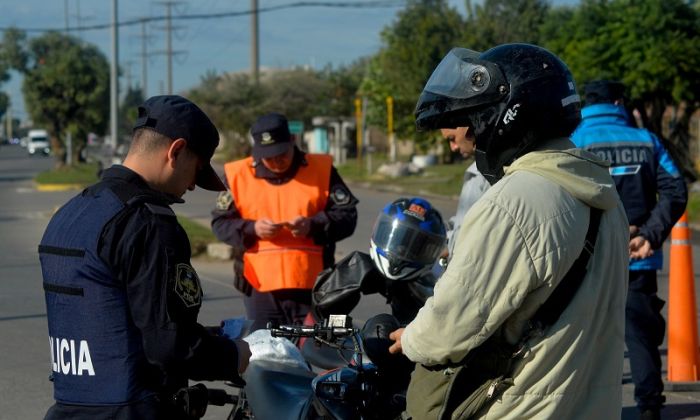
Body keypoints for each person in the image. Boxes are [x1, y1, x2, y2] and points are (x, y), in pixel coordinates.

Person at [387, 44, 629, 418]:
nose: (467, 140)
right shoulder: (604, 198)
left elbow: (450, 326)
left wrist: (412, 339)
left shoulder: (513, 202)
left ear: (504, 116)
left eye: (475, 118)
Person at [39, 95, 250, 420]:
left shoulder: (72, 213)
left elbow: (110, 315)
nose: (193, 185)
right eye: (196, 170)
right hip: (136, 409)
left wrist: (205, 336)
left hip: (70, 407)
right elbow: (170, 345)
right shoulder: (148, 224)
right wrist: (233, 355)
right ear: (176, 151)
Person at [571, 80, 688, 420]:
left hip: (587, 262)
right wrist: (649, 233)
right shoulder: (646, 141)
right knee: (641, 337)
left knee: (584, 339)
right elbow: (676, 190)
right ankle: (650, 407)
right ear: (620, 102)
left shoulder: (574, 143)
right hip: (639, 256)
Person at [212, 112, 358, 331]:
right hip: (260, 290)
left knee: (311, 357)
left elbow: (348, 216)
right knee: (264, 357)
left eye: (281, 154)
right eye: (267, 157)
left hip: (314, 287)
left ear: (292, 141)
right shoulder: (237, 174)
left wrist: (313, 225)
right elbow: (220, 224)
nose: (275, 161)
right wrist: (253, 228)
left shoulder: (322, 169)